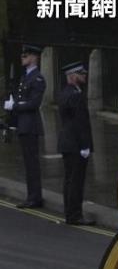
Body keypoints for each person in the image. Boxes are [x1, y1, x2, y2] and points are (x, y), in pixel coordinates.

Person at [4, 45, 46, 209]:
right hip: (23, 125)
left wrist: (14, 107)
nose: (23, 57)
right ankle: (32, 196)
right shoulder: (25, 77)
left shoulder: (37, 78)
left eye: (26, 55)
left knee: (32, 164)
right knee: (28, 164)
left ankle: (35, 197)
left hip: (30, 126)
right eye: (22, 55)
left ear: (34, 58)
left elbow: (33, 103)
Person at [56, 62, 94, 225]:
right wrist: (85, 145)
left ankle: (70, 213)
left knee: (70, 180)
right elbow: (80, 122)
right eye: (80, 74)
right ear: (72, 77)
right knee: (76, 181)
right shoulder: (75, 95)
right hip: (75, 144)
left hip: (67, 142)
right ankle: (75, 215)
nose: (84, 76)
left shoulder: (66, 93)